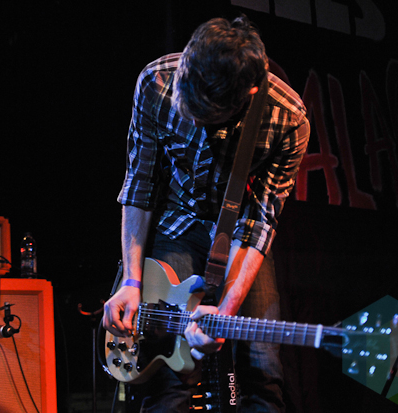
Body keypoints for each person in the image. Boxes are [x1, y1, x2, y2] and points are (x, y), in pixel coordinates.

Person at [103, 15, 310, 412]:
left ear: (249, 93)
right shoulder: (157, 82)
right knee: (168, 373)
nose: (192, 119)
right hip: (177, 221)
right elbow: (140, 184)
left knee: (263, 367)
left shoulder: (289, 120)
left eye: (205, 115)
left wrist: (224, 312)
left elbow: (259, 221)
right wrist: (131, 280)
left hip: (240, 235)